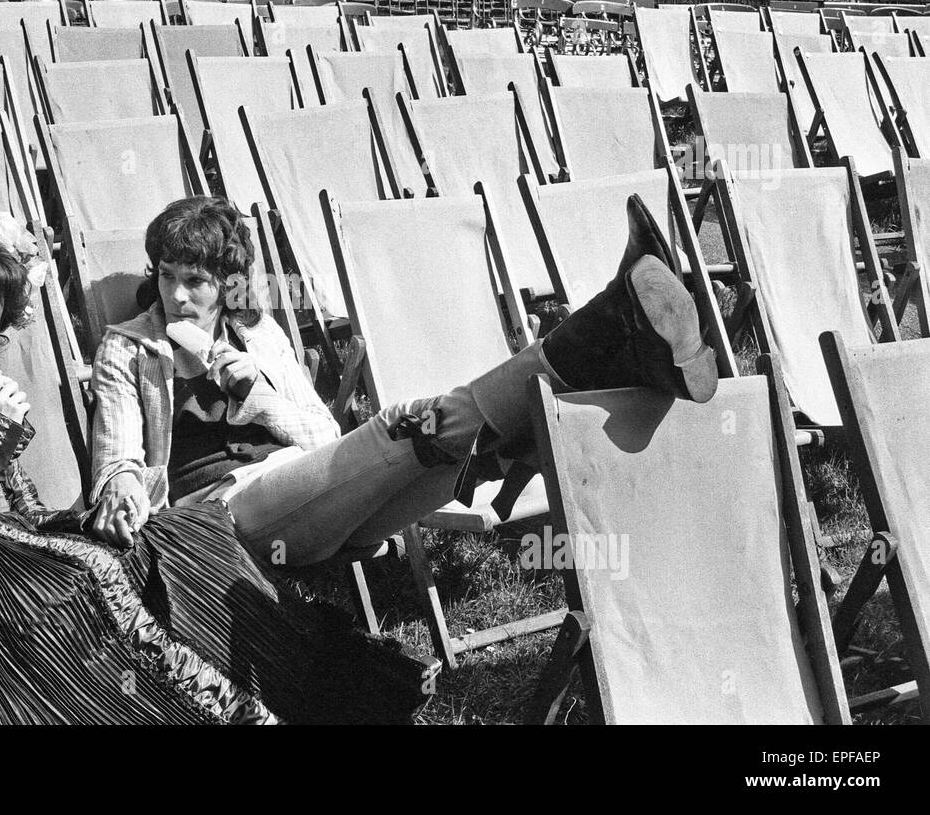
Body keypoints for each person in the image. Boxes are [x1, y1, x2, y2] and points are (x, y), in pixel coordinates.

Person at [0, 204, 429, 724]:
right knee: (88, 594)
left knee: (184, 538)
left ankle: (289, 682)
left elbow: (21, 504)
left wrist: (75, 520)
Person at [88, 195, 718, 568]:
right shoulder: (126, 348)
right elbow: (115, 466)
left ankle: (617, 348)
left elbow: (321, 435)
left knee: (463, 448)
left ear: (225, 283)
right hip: (212, 518)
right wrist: (123, 500)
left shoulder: (260, 336)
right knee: (409, 427)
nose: (176, 295)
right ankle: (607, 335)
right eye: (167, 275)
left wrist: (257, 396)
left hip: (318, 504)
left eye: (194, 281)